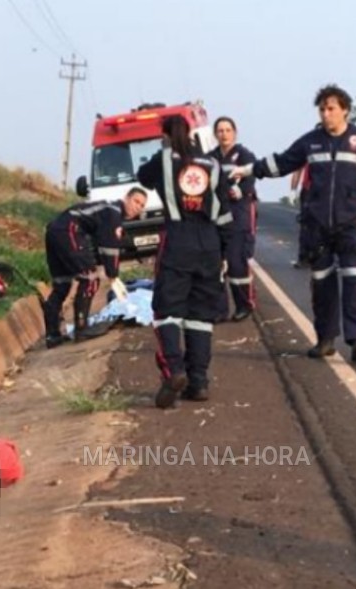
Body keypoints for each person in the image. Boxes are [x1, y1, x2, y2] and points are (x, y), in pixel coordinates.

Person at [228, 84, 356, 363]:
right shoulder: (311, 141)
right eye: (322, 109)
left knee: (355, 279)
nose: (326, 114)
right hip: (317, 226)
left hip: (351, 223)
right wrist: (247, 169)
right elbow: (282, 162)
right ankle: (325, 339)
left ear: (345, 111)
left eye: (331, 109)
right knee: (322, 284)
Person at [137, 115, 232, 407]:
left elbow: (143, 177)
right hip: (209, 244)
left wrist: (165, 150)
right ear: (192, 132)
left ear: (164, 135)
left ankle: (174, 370)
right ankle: (198, 382)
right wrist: (224, 253)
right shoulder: (212, 165)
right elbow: (225, 213)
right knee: (200, 317)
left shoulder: (164, 159)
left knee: (166, 310)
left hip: (177, 240)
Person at [42, 187, 147, 348]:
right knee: (90, 279)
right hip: (68, 230)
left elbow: (101, 242)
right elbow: (109, 248)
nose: (137, 207)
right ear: (126, 198)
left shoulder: (109, 211)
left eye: (141, 205)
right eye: (136, 201)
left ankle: (52, 336)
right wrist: (113, 274)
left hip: (54, 231)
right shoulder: (114, 214)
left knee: (62, 284)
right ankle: (81, 329)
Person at [210, 116, 257, 322]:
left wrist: (242, 190)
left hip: (239, 214)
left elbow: (252, 176)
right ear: (215, 134)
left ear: (235, 132)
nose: (224, 134)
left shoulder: (244, 155)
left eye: (228, 130)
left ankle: (244, 304)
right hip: (216, 215)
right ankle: (219, 310)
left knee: (237, 263)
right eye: (220, 130)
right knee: (216, 263)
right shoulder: (210, 158)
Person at [289, 164, 311, 268]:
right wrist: (293, 189)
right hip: (309, 190)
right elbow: (297, 169)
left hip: (330, 191)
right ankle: (304, 258)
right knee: (306, 224)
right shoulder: (308, 148)